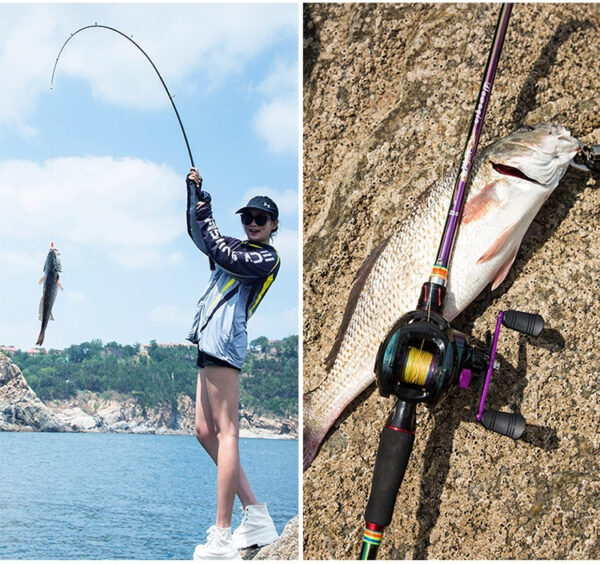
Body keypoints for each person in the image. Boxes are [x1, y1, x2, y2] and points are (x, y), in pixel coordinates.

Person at [185, 168, 281, 560]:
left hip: (225, 344)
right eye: (248, 218)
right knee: (204, 432)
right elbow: (200, 236)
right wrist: (194, 193)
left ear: (274, 225)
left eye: (261, 219)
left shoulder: (264, 258)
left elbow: (219, 249)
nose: (253, 224)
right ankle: (256, 515)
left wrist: (206, 213)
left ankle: (222, 536)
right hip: (209, 340)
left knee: (226, 434)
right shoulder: (233, 248)